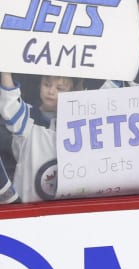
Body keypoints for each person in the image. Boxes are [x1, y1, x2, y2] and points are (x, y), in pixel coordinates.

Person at [0, 72, 84, 202]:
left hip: (63, 206)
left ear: (71, 92)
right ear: (39, 85)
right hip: (26, 202)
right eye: (47, 85)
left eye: (59, 88)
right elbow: (10, 103)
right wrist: (5, 71)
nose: (51, 91)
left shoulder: (77, 122)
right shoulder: (27, 115)